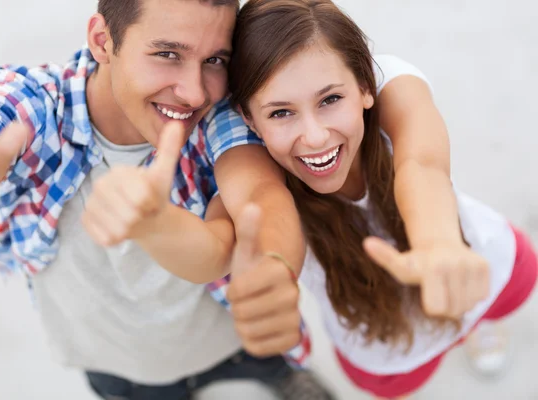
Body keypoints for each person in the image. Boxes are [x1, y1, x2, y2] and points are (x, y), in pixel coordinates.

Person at [0, 0, 468, 398]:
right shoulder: (35, 101)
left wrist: (273, 269)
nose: (193, 92)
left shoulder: (220, 117)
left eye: (215, 59)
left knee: (280, 374)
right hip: (116, 362)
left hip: (233, 338)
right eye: (167, 54)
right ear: (102, 39)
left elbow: (258, 205)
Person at [225, 0, 538, 398]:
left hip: (475, 267)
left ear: (365, 85)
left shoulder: (395, 84)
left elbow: (422, 164)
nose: (316, 136)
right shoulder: (249, 159)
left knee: (475, 302)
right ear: (249, 118)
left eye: (330, 100)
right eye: (281, 112)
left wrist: (439, 245)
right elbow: (261, 214)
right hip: (384, 344)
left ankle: (475, 325)